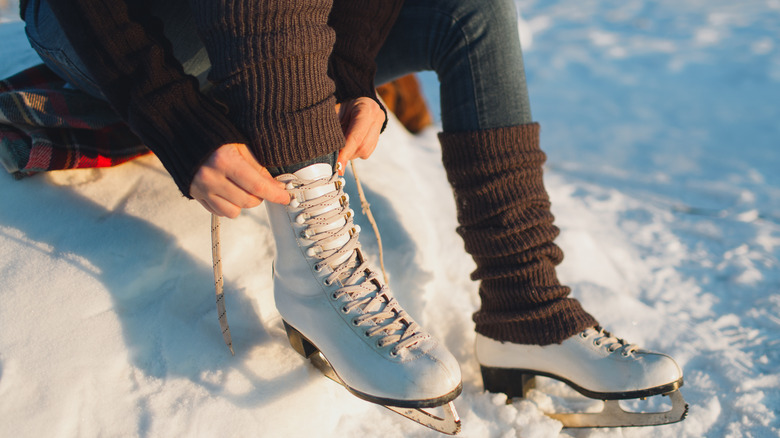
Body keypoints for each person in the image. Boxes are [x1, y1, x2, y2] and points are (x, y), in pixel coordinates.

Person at [19, 0, 686, 430]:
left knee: (472, 9)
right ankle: (316, 283)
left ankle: (527, 310)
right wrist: (169, 114)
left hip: (285, 20)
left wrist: (350, 74)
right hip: (108, 25)